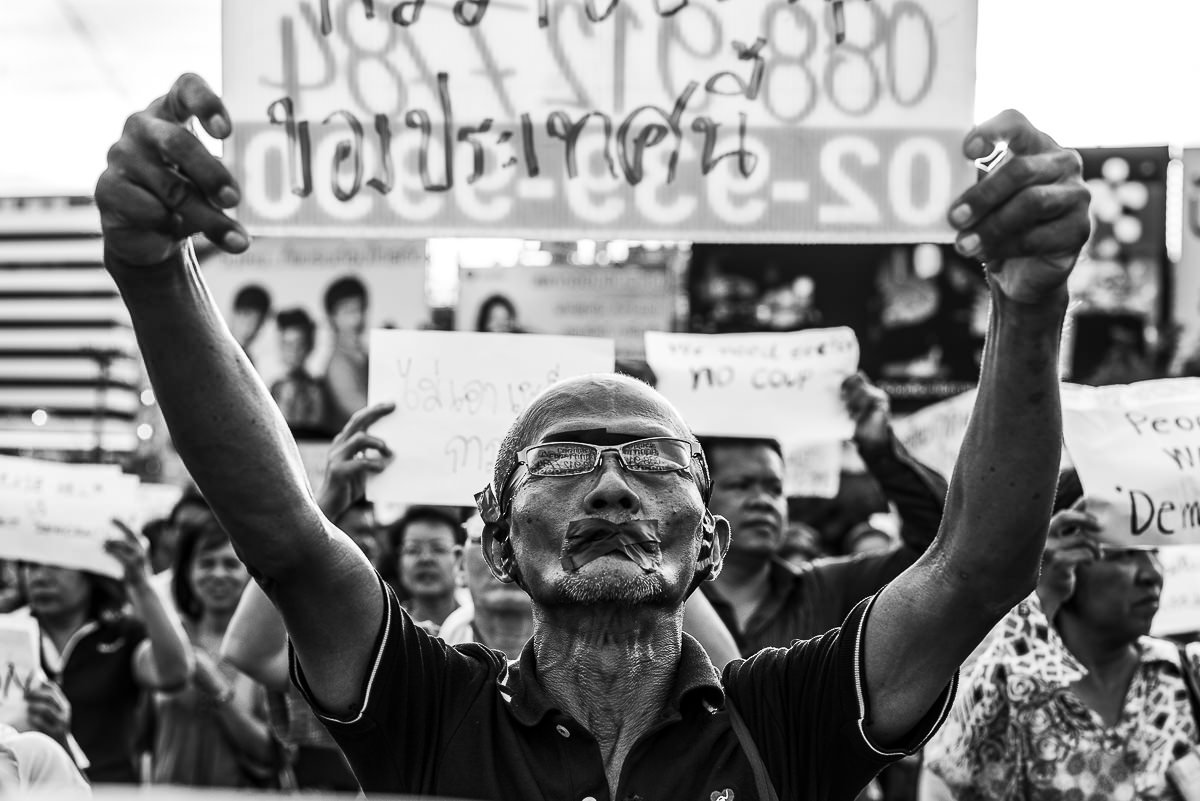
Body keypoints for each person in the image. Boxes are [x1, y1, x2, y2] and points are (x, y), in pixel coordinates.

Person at [96, 74, 1089, 799]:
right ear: (496, 540)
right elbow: (284, 535)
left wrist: (1030, 305)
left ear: (711, 544)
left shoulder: (784, 718)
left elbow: (976, 569)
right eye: (565, 460)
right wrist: (155, 273)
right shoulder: (433, 711)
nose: (613, 487)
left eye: (653, 462)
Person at [921, 473, 1200, 801]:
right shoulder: (1010, 687)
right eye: (1123, 554)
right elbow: (949, 761)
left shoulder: (1186, 674)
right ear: (1063, 560)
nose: (1152, 574)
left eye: (1154, 551)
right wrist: (1041, 593)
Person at [700, 373, 949, 656]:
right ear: (700, 498)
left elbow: (939, 546)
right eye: (741, 485)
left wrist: (881, 450)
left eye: (775, 488)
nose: (763, 501)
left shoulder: (829, 590)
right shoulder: (673, 599)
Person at [19, 522, 193, 784]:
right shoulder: (10, 633)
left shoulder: (123, 635)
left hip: (110, 790)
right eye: (31, 566)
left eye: (55, 564)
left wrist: (141, 583)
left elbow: (174, 674)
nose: (40, 577)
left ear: (90, 571)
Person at [150, 517, 275, 787]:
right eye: (206, 563)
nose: (218, 574)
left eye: (230, 564)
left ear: (250, 574)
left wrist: (218, 689)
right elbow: (140, 742)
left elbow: (273, 755)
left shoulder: (268, 646)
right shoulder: (170, 639)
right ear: (187, 571)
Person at [385, 506, 466, 632]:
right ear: (398, 562)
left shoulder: (479, 626)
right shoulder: (389, 630)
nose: (425, 558)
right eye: (413, 549)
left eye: (438, 548)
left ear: (460, 559)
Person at [322, 275, 370, 431]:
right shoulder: (338, 365)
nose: (357, 318)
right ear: (333, 317)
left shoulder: (364, 357)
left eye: (361, 309)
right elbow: (363, 413)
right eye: (349, 311)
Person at [269, 307, 327, 433]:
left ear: (310, 345)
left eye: (300, 344)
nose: (294, 352)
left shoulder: (317, 389)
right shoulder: (275, 388)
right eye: (288, 344)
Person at [229, 284, 271, 358]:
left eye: (256, 325)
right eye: (244, 322)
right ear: (234, 314)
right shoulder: (210, 349)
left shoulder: (248, 359)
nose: (248, 331)